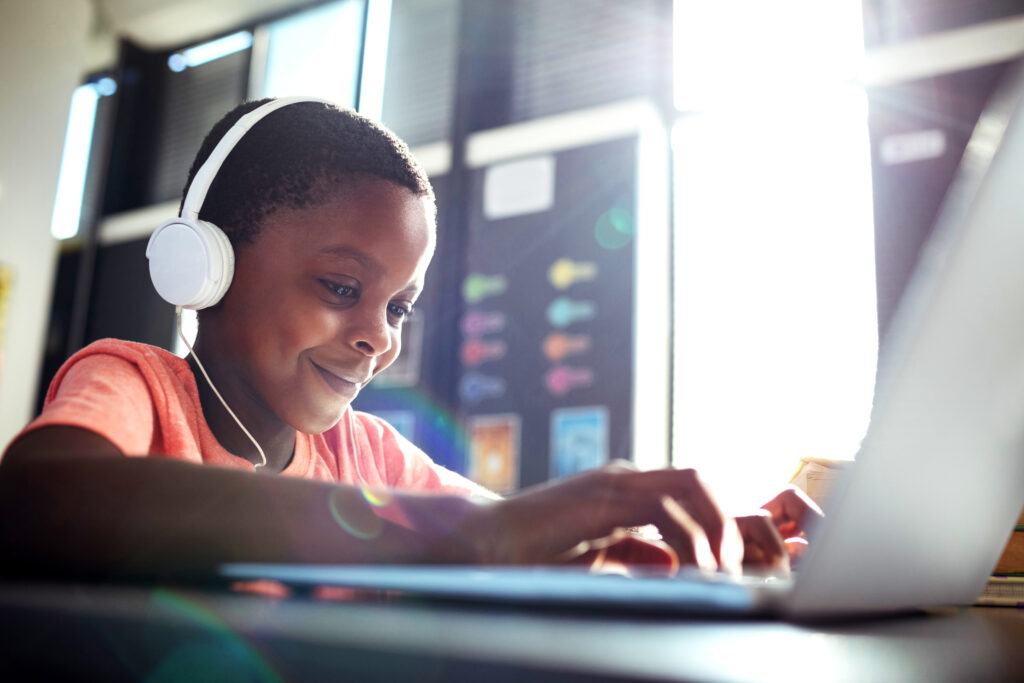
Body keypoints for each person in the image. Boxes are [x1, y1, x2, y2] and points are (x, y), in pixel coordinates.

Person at [0, 98, 820, 583]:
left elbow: (510, 534)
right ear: (203, 267)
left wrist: (677, 545)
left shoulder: (371, 455)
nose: (377, 339)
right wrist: (465, 534)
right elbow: (33, 499)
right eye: (343, 289)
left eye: (400, 307)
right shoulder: (137, 386)